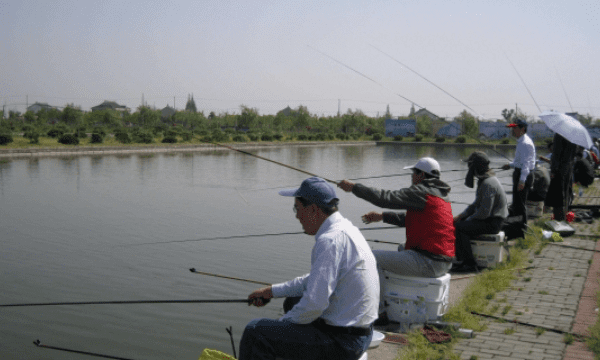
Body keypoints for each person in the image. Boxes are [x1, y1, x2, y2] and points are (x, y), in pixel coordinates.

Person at [238, 177, 379, 360]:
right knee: (292, 301)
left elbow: (315, 303)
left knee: (256, 333)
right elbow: (314, 280)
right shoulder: (345, 228)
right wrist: (271, 291)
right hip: (360, 334)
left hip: (344, 343)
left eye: (297, 208)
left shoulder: (329, 240)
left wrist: (280, 327)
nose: (296, 216)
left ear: (313, 209)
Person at [337, 157, 455, 323]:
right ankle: (385, 293)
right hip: (444, 261)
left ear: (421, 174)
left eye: (414, 173)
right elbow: (412, 219)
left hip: (430, 263)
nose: (412, 177)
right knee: (401, 248)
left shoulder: (421, 192)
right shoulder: (441, 195)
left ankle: (379, 312)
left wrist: (355, 188)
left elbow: (386, 197)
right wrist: (382, 216)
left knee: (369, 258)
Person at [452, 151, 508, 273]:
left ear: (475, 166)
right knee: (459, 222)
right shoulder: (485, 180)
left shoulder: (488, 183)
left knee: (460, 228)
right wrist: (461, 216)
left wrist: (468, 220)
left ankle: (469, 263)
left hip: (493, 223)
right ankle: (462, 259)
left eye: (470, 165)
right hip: (490, 220)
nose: (468, 168)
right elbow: (476, 205)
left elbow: (484, 213)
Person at [501, 117, 536, 227]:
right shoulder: (521, 141)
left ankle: (523, 228)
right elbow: (519, 161)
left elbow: (526, 164)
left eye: (515, 128)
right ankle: (517, 227)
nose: (512, 130)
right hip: (519, 172)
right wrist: (510, 165)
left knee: (520, 204)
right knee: (516, 203)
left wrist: (522, 181)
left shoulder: (525, 143)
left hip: (523, 174)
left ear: (522, 129)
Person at [544, 134, 577, 221]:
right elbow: (574, 154)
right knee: (566, 193)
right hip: (568, 168)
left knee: (557, 196)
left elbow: (556, 154)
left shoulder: (559, 135)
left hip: (559, 169)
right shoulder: (573, 136)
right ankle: (565, 216)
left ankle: (558, 219)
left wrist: (553, 170)